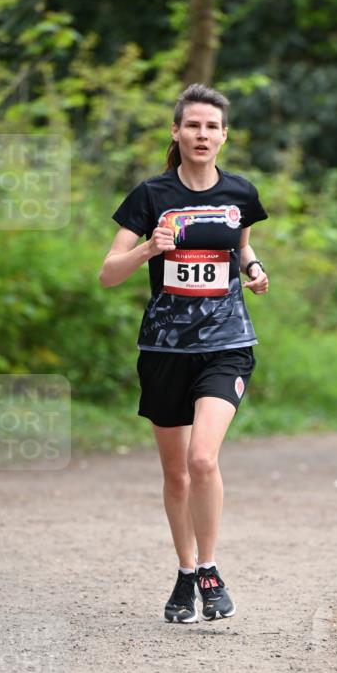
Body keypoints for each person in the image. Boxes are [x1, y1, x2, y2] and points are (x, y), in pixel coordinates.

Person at [99, 84, 269, 624]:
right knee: (176, 475)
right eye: (192, 125)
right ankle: (184, 571)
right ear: (176, 132)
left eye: (211, 127)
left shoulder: (241, 193)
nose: (202, 134)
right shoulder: (151, 196)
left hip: (227, 344)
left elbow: (240, 248)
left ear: (224, 136)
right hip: (165, 349)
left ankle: (211, 571)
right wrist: (150, 247)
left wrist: (254, 270)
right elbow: (108, 273)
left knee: (203, 458)